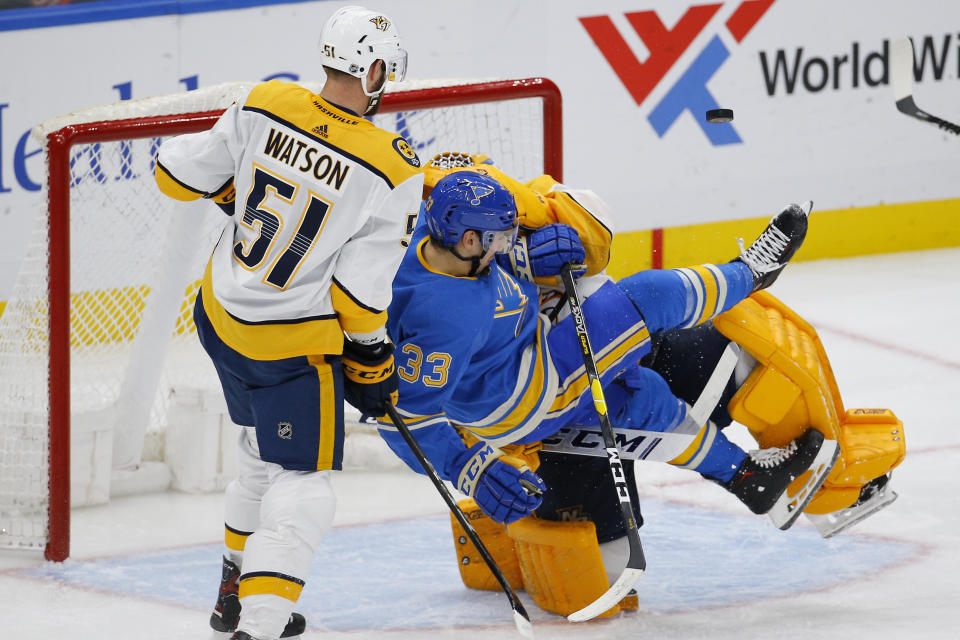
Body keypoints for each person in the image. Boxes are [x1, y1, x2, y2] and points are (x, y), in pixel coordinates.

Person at [381, 156, 903, 619]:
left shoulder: (437, 247)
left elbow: (497, 274)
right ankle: (751, 272)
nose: (504, 245)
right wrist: (472, 471)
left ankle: (745, 479)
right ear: (469, 239)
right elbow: (407, 416)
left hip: (527, 352)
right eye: (497, 239)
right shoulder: (441, 319)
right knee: (641, 299)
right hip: (532, 392)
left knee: (647, 399)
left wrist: (520, 255)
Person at [153, 6, 423, 640]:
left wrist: (236, 195)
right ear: (374, 68)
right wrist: (374, 361)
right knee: (304, 481)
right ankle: (263, 625)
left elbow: (172, 174)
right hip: (291, 350)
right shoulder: (394, 165)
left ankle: (233, 591)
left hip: (220, 321)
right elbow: (359, 298)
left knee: (258, 454)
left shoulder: (263, 101)